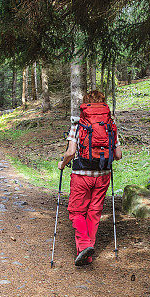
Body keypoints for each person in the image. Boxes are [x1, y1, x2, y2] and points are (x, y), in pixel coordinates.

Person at [58, 90, 122, 266]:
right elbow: (118, 154)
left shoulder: (79, 125)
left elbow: (71, 152)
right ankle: (88, 254)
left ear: (86, 105)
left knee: (77, 211)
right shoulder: (110, 124)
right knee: (94, 212)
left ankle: (85, 246)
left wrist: (62, 164)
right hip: (103, 175)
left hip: (81, 175)